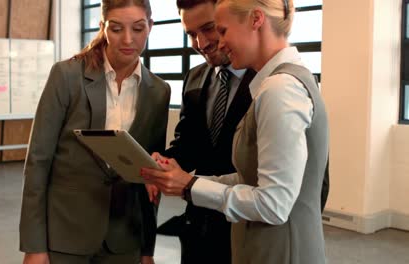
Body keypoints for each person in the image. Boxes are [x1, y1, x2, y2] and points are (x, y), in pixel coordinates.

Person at [142, 0, 329, 263]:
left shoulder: (279, 90)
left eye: (221, 30)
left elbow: (278, 202)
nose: (215, 42)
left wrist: (190, 185)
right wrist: (184, 181)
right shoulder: (285, 81)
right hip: (230, 234)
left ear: (255, 20)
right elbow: (248, 176)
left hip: (274, 245)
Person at [19, 0, 170, 263]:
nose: (127, 39)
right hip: (65, 234)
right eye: (116, 28)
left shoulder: (159, 91)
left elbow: (149, 177)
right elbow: (38, 162)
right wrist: (34, 246)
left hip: (125, 238)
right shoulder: (66, 76)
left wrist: (147, 249)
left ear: (150, 27)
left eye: (137, 28)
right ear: (102, 27)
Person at [153, 0, 255, 263]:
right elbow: (187, 146)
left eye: (209, 28)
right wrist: (166, 162)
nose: (200, 43)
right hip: (198, 228)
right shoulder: (195, 78)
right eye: (190, 34)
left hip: (248, 229)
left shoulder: (272, 82)